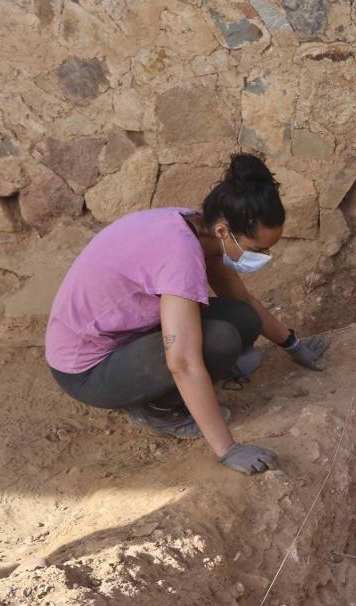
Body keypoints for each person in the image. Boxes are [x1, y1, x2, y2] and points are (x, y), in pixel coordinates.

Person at [44, 154, 330, 475]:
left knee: (242, 319)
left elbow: (241, 298)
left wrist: (293, 345)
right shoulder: (180, 255)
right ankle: (157, 410)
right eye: (257, 249)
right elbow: (181, 362)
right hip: (86, 369)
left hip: (127, 335)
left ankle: (186, 387)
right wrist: (229, 449)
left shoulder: (196, 227)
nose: (262, 257)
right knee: (218, 342)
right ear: (224, 230)